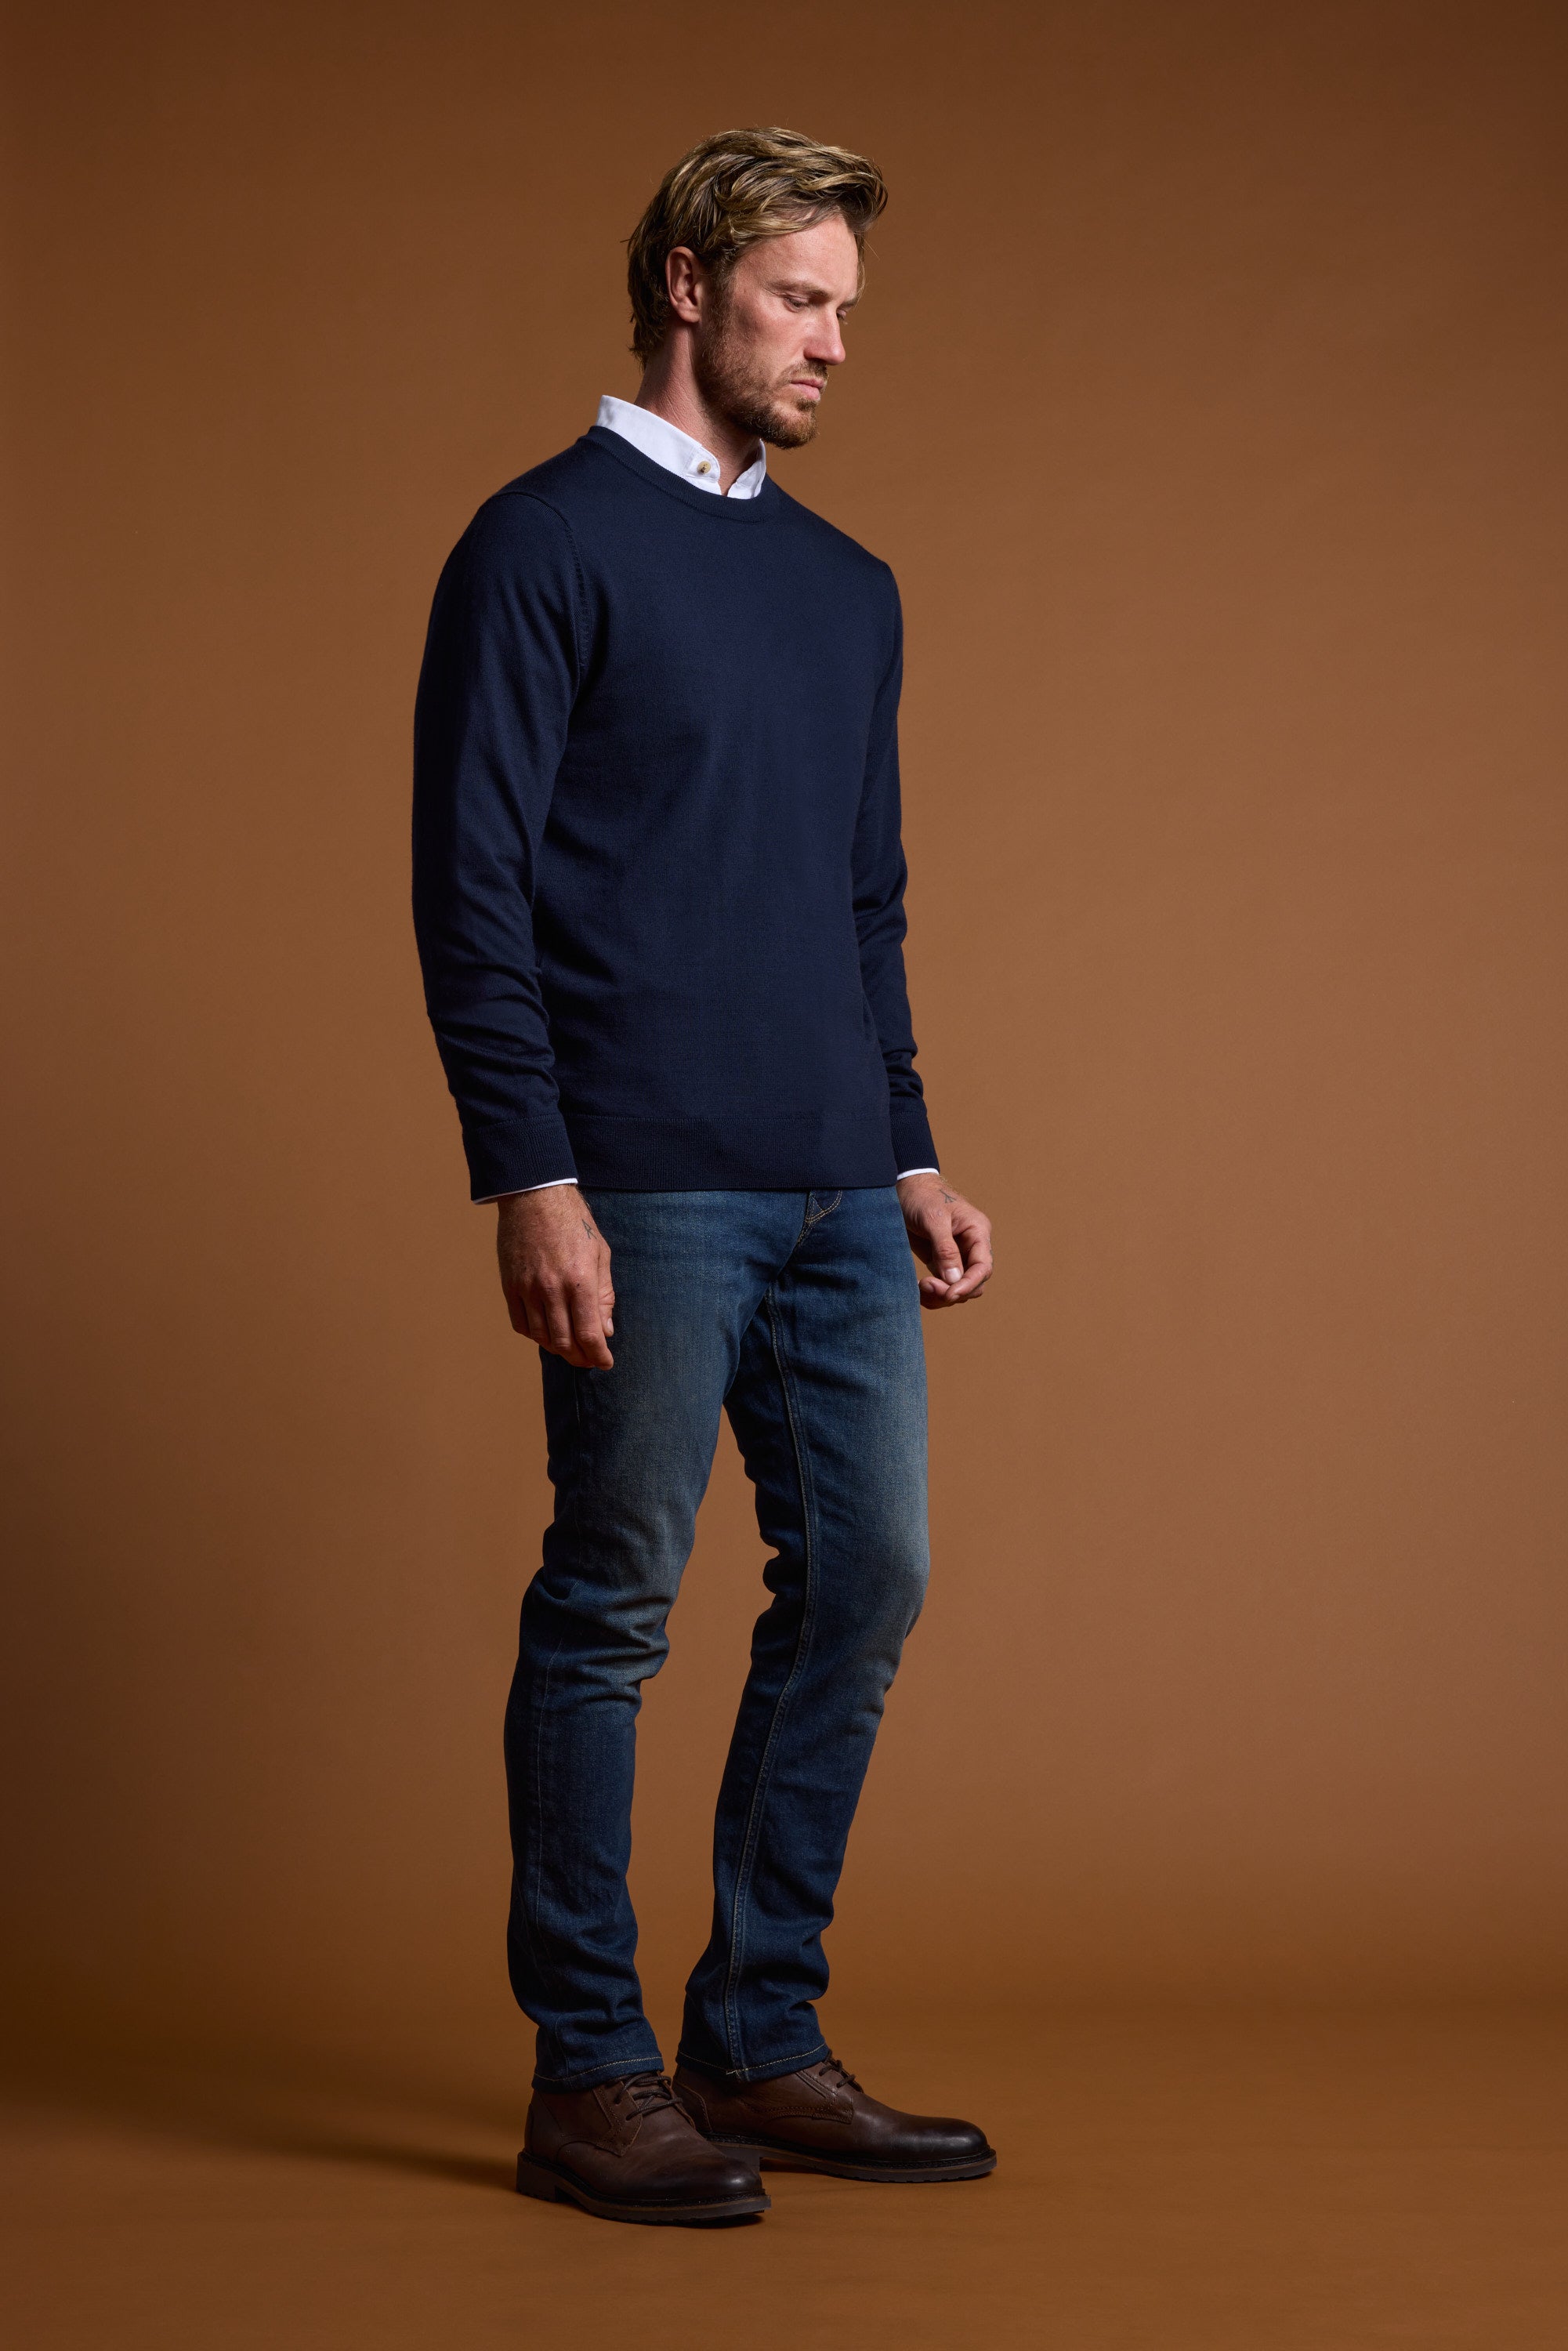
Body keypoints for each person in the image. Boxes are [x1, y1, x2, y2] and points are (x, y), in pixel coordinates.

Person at [413, 126, 997, 2226]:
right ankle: (590, 2074)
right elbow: (471, 891)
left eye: (846, 308)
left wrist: (905, 1140)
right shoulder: (540, 544)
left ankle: (753, 2034)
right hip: (642, 1183)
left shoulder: (851, 591)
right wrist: (531, 1175)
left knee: (867, 1581)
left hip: (837, 1178)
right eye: (797, 300)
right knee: (612, 1606)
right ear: (685, 283)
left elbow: (863, 901)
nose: (833, 343)